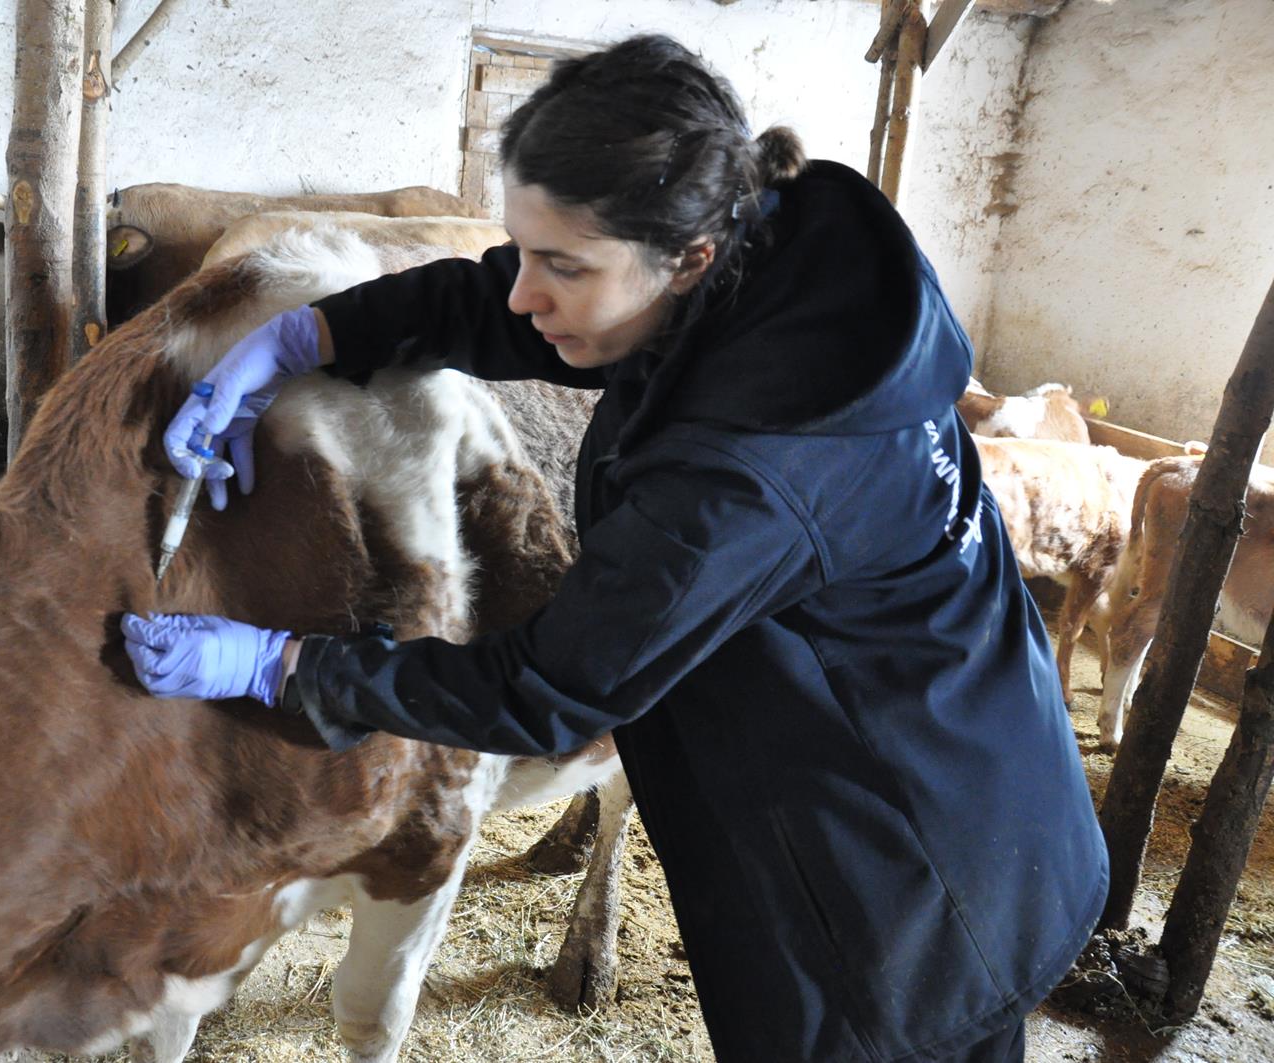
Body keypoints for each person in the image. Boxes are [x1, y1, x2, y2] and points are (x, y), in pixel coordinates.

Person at [120, 35, 1107, 1062]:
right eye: (526, 247)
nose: (523, 292)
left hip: (909, 877)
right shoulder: (781, 267)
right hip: (959, 746)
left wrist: (282, 665)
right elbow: (497, 302)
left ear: (690, 258)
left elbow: (546, 689)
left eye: (562, 265)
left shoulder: (747, 476)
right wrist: (308, 337)